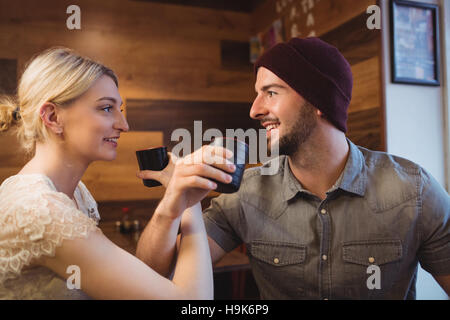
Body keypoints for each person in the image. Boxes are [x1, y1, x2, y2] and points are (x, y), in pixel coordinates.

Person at [136, 37, 450, 300]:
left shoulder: (413, 191)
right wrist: (172, 206)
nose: (255, 109)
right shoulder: (245, 193)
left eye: (271, 92)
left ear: (319, 101)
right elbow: (157, 277)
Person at [0, 47, 236, 299]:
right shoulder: (40, 211)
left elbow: (133, 282)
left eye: (119, 109)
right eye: (105, 108)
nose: (124, 125)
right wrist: (191, 202)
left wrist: (174, 204)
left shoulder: (77, 194)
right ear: (53, 116)